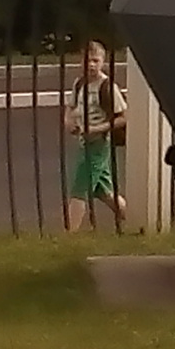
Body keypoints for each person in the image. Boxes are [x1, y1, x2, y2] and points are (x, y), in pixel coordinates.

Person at [64, 39, 127, 231]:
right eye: (87, 61)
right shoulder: (79, 83)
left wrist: (96, 128)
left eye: (95, 60)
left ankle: (69, 236)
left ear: (102, 61)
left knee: (79, 189)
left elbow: (123, 118)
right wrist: (68, 122)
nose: (91, 65)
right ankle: (134, 220)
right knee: (104, 191)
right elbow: (71, 107)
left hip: (99, 143)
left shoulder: (107, 86)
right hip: (84, 141)